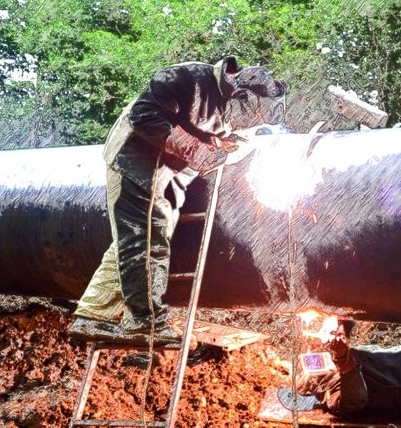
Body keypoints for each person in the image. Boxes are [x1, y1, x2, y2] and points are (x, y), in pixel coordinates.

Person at [69, 56, 286, 343]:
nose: (250, 123)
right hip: (137, 163)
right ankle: (145, 323)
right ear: (239, 94)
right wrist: (196, 148)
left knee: (137, 242)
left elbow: (229, 141)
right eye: (253, 116)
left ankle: (92, 315)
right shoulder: (186, 78)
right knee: (146, 241)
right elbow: (143, 116)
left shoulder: (234, 109)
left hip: (172, 177)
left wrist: (236, 146)